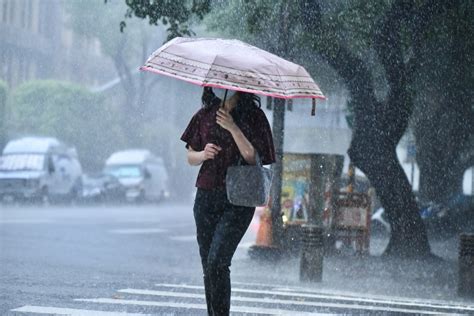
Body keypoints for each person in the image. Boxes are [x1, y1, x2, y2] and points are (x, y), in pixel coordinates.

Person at [181, 87, 275, 316]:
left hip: (239, 200)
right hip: (206, 196)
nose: (224, 87)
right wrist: (203, 154)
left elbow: (253, 157)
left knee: (218, 262)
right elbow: (190, 156)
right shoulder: (204, 115)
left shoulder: (254, 117)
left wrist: (232, 127)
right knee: (208, 266)